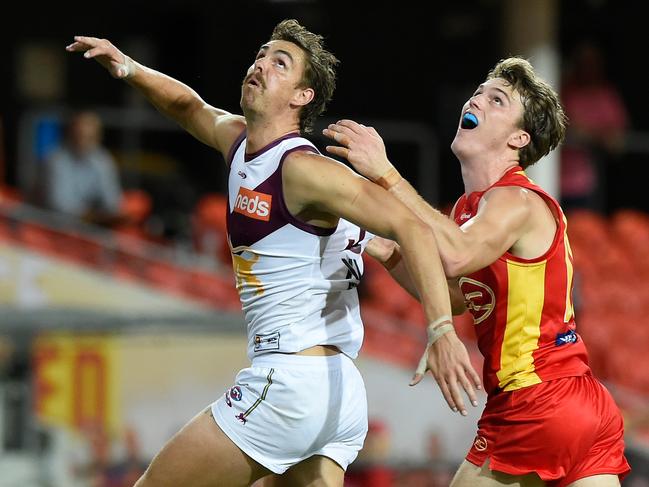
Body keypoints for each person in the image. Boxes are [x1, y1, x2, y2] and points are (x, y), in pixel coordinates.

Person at [66, 19, 481, 487]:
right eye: (261, 55)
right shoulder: (240, 142)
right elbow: (188, 107)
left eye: (279, 63)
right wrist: (127, 67)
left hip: (288, 382)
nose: (260, 65)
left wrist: (442, 329)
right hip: (335, 396)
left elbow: (409, 226)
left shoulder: (303, 170)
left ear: (302, 96)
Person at [324, 56, 630, 486]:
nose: (478, 99)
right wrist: (382, 249)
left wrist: (386, 174)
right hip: (583, 405)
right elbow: (457, 296)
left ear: (518, 138)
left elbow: (453, 256)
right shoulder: (471, 211)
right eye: (479, 93)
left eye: (497, 99)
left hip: (533, 401)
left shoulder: (516, 200)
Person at [559, 40, 629, 213]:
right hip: (553, 177)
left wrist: (590, 134)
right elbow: (564, 126)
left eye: (592, 62)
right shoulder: (564, 91)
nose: (587, 67)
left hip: (585, 181)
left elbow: (617, 138)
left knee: (586, 231)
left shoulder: (606, 94)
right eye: (582, 62)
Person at [42, 110, 125, 226]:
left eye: (89, 137)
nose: (83, 142)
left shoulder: (103, 160)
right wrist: (94, 216)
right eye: (79, 136)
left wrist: (104, 215)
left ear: (97, 137)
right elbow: (59, 205)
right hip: (54, 227)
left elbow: (113, 203)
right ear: (70, 134)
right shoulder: (55, 159)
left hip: (91, 227)